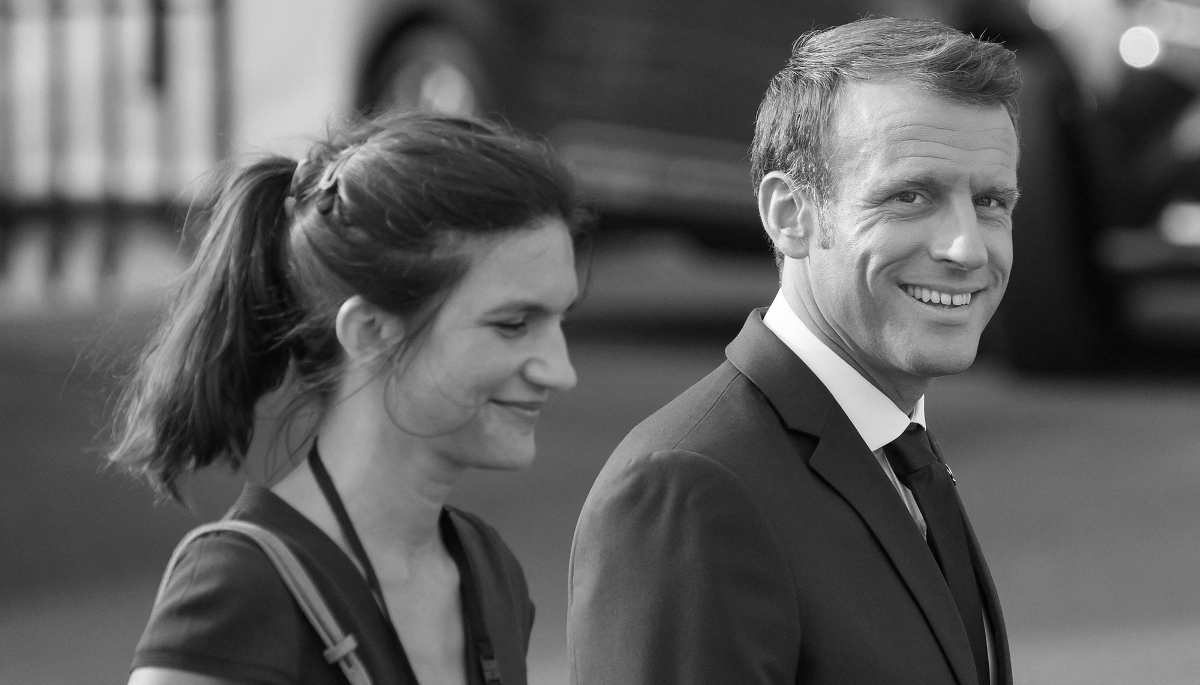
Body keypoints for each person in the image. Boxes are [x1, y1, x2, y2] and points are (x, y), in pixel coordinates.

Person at [568, 17, 1019, 685]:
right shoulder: (687, 488)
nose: (967, 248)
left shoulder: (897, 450)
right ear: (789, 213)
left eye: (990, 201)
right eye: (910, 195)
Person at [109, 112, 584, 685]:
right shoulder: (239, 590)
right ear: (371, 333)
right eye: (513, 324)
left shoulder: (488, 571)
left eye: (559, 320)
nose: (560, 371)